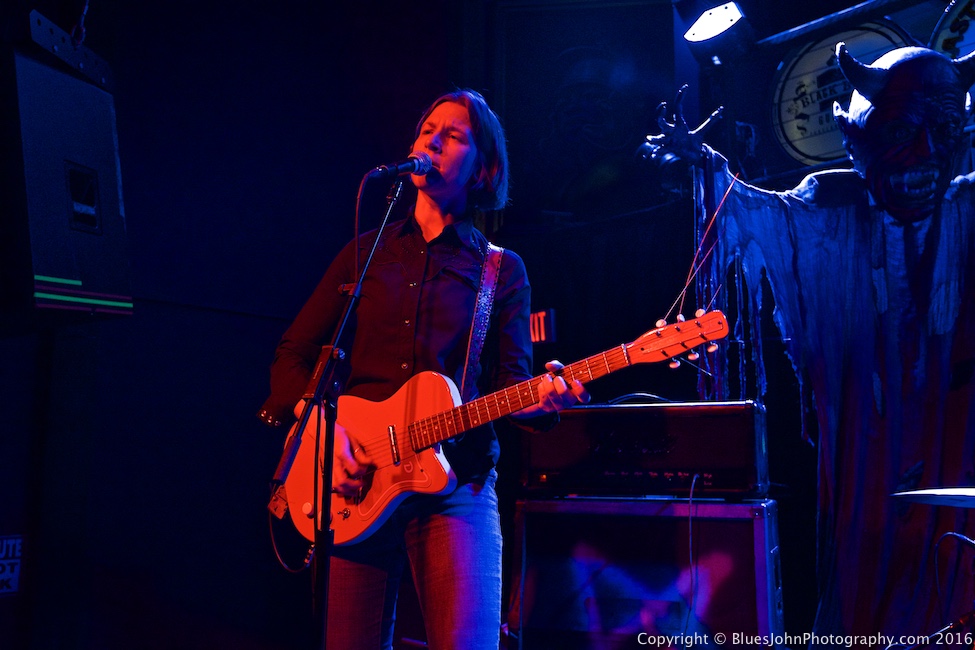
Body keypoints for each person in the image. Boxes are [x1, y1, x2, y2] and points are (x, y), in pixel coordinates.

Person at [646, 44, 975, 643]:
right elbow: (752, 209)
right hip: (868, 461)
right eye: (899, 131)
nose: (926, 153)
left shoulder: (970, 206)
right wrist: (705, 166)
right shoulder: (830, 205)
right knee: (870, 586)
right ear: (853, 138)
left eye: (948, 129)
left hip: (959, 452)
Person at [260, 88, 588, 650]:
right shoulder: (365, 252)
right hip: (357, 481)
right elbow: (293, 354)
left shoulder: (500, 271)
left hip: (457, 483)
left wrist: (542, 399)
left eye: (453, 135)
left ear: (482, 168)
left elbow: (513, 385)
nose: (432, 140)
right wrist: (318, 425)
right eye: (427, 130)